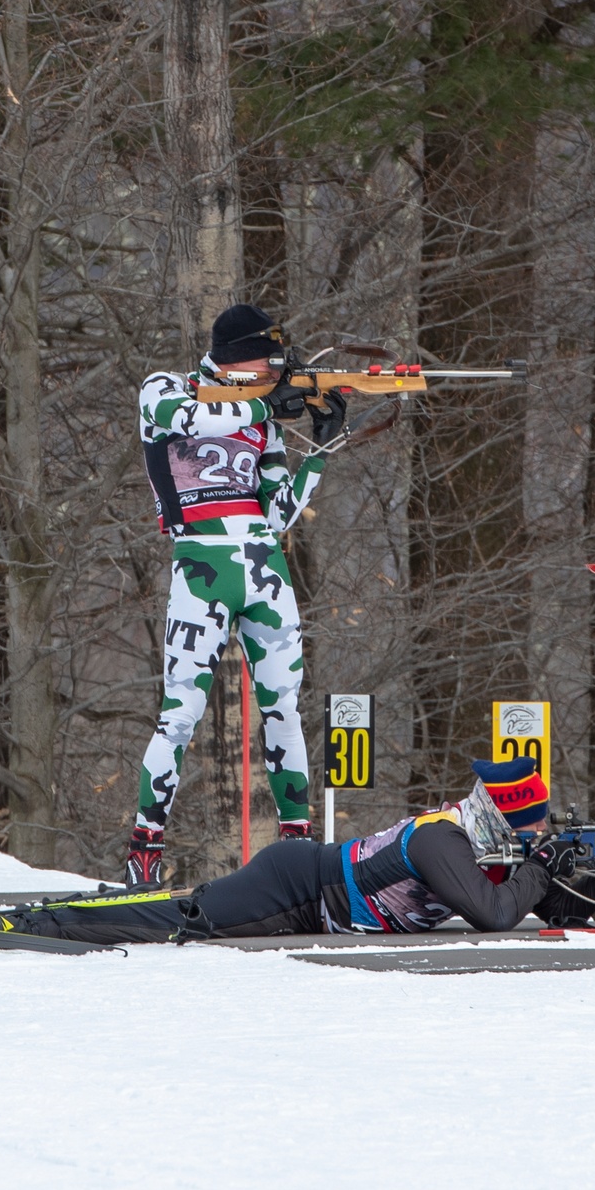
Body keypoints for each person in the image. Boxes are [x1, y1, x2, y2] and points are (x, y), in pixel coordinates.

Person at [125, 304, 348, 888]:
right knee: (181, 713)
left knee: (285, 709)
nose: (274, 374)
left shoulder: (261, 418)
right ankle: (144, 852)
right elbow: (179, 419)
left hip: (263, 566)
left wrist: (320, 451)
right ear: (233, 358)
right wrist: (259, 404)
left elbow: (277, 514)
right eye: (265, 363)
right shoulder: (166, 388)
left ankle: (297, 851)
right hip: (201, 560)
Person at [0, 758, 595, 944]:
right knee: (182, 921)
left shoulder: (485, 850)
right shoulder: (443, 840)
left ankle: (54, 916)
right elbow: (495, 914)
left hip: (313, 902)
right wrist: (534, 869)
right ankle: (40, 922)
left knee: (182, 910)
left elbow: (559, 911)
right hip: (297, 888)